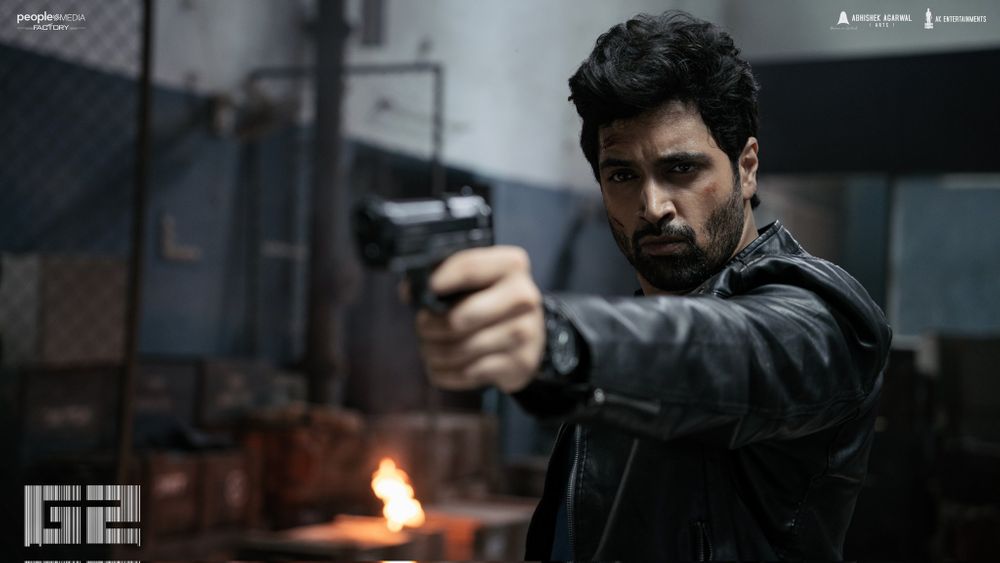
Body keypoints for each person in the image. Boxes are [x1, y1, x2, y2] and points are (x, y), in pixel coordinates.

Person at [412, 10, 891, 560]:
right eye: (622, 175)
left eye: (681, 170)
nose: (653, 206)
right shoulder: (625, 353)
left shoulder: (825, 318)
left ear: (746, 167)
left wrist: (559, 341)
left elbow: (727, 351)